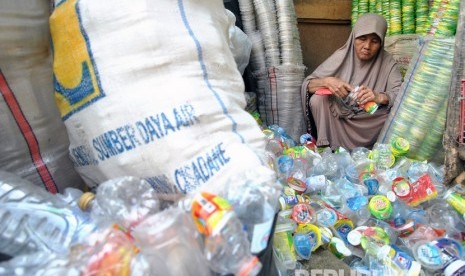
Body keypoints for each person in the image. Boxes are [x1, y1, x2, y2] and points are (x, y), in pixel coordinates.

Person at [300, 13, 402, 150]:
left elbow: (401, 95)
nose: (367, 46)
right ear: (353, 37)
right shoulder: (340, 57)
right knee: (318, 100)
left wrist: (379, 97)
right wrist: (327, 81)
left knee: (393, 116)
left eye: (375, 41)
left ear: (382, 42)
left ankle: (374, 151)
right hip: (340, 118)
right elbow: (308, 84)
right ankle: (327, 148)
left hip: (370, 121)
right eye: (362, 39)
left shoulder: (388, 63)